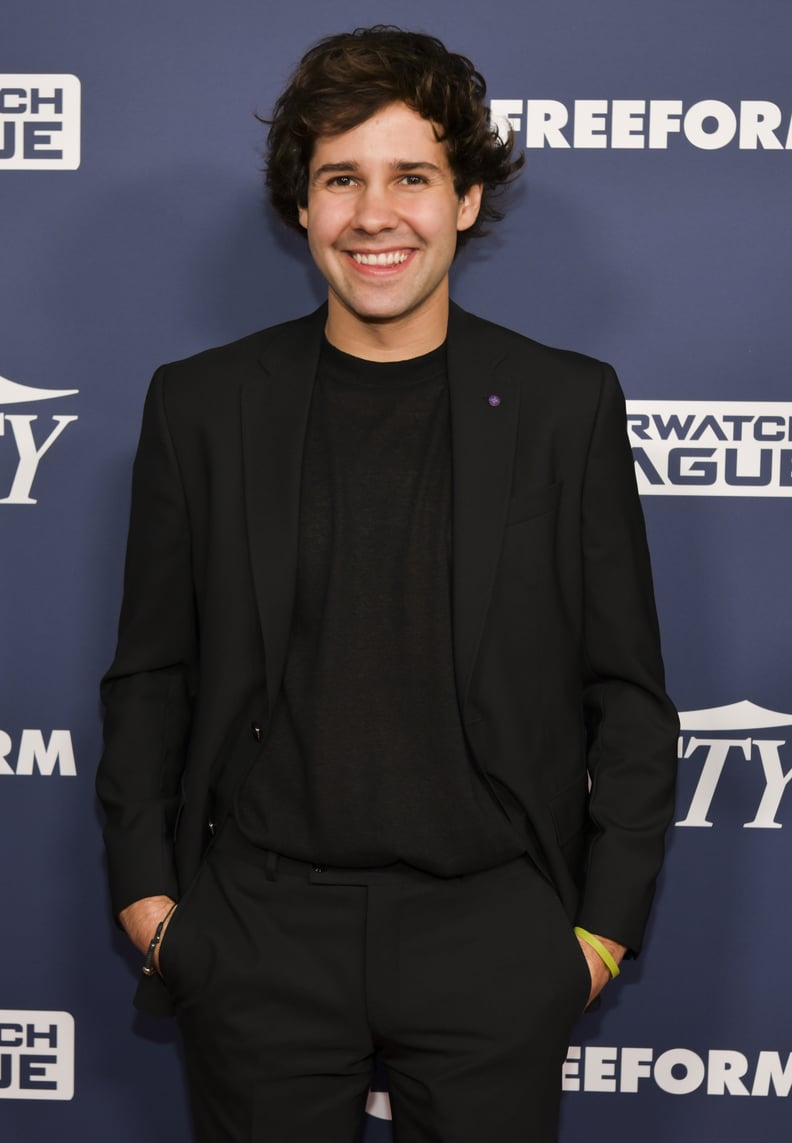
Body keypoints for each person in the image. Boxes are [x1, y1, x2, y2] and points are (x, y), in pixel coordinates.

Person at [97, 25, 678, 1143]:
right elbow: (151, 676)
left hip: (494, 933)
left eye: (411, 176)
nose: (375, 215)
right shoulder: (201, 407)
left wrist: (596, 937)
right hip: (258, 935)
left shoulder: (565, 407)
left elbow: (629, 693)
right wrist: (153, 907)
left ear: (463, 200)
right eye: (340, 180)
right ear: (302, 208)